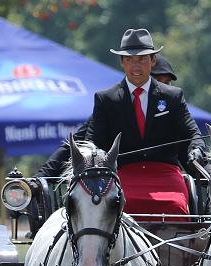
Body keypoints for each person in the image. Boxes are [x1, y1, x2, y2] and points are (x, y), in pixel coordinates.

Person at [90, 29, 206, 219]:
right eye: (130, 60)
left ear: (153, 60)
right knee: (117, 206)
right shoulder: (106, 99)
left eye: (142, 59)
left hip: (166, 174)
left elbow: (192, 134)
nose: (136, 67)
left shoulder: (172, 96)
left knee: (176, 206)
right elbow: (92, 141)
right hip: (123, 174)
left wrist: (196, 149)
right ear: (121, 62)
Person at [35, 54, 181, 180]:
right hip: (122, 181)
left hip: (166, 177)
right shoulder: (113, 107)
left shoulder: (173, 103)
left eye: (167, 83)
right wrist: (40, 177)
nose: (161, 87)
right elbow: (77, 144)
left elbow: (190, 142)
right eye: (156, 81)